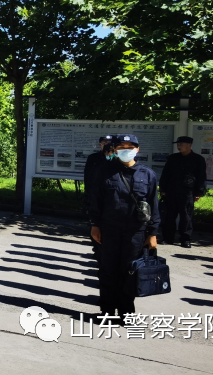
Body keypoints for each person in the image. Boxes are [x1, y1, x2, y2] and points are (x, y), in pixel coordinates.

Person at [88, 134, 160, 322]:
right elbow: (95, 200)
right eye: (121, 147)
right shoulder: (104, 171)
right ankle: (106, 311)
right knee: (107, 271)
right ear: (115, 150)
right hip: (108, 230)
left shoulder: (147, 174)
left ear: (137, 149)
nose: (126, 150)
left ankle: (126, 313)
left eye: (130, 147)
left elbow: (154, 205)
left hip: (135, 233)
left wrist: (153, 233)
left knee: (130, 272)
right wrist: (94, 225)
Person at [160, 136, 207, 248]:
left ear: (189, 145)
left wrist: (198, 192)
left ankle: (185, 239)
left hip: (187, 192)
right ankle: (168, 238)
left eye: (181, 144)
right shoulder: (173, 158)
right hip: (171, 191)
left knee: (186, 217)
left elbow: (201, 177)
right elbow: (165, 174)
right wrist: (162, 189)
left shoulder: (198, 159)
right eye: (178, 144)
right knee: (169, 216)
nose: (179, 146)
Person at [83, 135, 113, 258]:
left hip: (110, 198)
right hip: (94, 195)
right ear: (100, 144)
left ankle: (106, 251)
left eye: (109, 142)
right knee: (95, 224)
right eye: (104, 142)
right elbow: (87, 177)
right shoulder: (93, 158)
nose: (106, 144)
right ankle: (97, 248)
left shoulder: (116, 160)